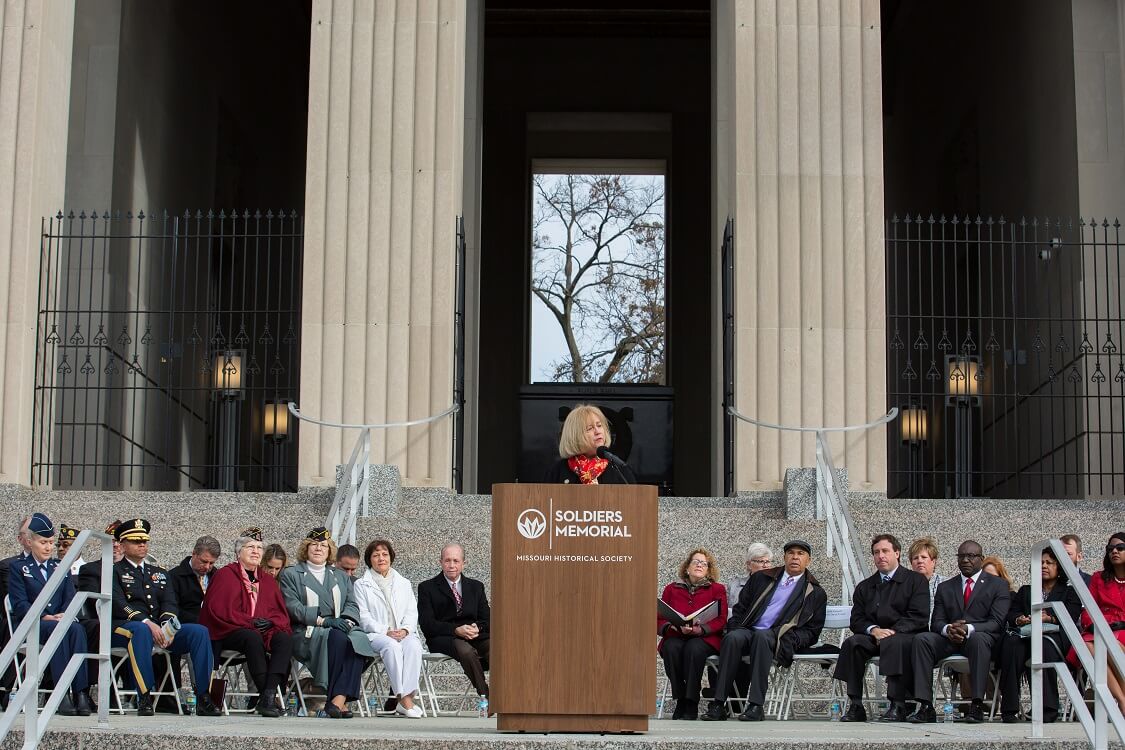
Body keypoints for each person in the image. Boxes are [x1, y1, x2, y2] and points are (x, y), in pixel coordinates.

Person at [702, 540, 827, 721]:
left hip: (780, 636)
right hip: (749, 629)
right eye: (791, 553)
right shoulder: (762, 578)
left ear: (808, 561)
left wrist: (792, 640)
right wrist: (736, 627)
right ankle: (718, 703)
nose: (795, 557)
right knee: (732, 638)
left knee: (761, 637)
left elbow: (812, 631)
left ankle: (756, 705)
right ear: (784, 557)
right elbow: (740, 608)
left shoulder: (815, 592)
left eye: (801, 554)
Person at [109, 518, 221, 717]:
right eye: (136, 541)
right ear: (123, 544)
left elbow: (169, 602)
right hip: (126, 626)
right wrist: (147, 622)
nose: (142, 545)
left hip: (159, 629)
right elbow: (119, 604)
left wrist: (166, 626)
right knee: (141, 630)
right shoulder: (114, 571)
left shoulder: (158, 573)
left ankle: (204, 695)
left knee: (199, 631)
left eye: (144, 541)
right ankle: (145, 696)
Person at [908, 540, 1009, 724]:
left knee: (978, 640)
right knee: (922, 639)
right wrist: (948, 629)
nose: (965, 560)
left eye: (971, 556)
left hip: (980, 639)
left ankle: (976, 705)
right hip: (950, 639)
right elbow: (936, 622)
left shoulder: (997, 585)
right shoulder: (946, 586)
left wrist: (968, 628)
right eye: (961, 556)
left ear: (981, 558)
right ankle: (925, 706)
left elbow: (996, 622)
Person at [279, 527, 374, 719]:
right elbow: (293, 606)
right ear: (306, 548)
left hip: (340, 627)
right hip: (308, 631)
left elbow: (352, 602)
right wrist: (324, 621)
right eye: (313, 544)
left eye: (323, 545)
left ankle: (337, 700)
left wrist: (346, 620)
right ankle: (340, 700)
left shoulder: (339, 575)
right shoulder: (291, 574)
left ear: (329, 550)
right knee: (343, 640)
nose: (318, 548)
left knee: (361, 641)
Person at [198, 528, 294, 717]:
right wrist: (250, 622)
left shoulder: (267, 580)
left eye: (259, 548)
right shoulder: (225, 575)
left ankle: (268, 694)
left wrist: (270, 622)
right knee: (251, 637)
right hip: (229, 632)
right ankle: (263, 693)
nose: (256, 551)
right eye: (250, 547)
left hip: (260, 630)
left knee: (284, 638)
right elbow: (218, 610)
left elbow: (280, 614)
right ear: (238, 552)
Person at [835, 534, 929, 722]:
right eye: (876, 552)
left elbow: (919, 615)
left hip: (905, 635)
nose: (881, 556)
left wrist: (893, 631)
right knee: (852, 644)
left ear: (897, 553)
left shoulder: (915, 581)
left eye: (885, 551)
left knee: (894, 643)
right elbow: (857, 619)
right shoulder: (865, 586)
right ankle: (856, 704)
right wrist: (873, 630)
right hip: (875, 635)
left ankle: (898, 704)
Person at [7, 512, 91, 716]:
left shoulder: (58, 567)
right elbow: (19, 604)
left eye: (51, 542)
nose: (48, 547)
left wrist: (64, 614)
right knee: (59, 629)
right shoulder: (19, 568)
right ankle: (60, 694)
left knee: (77, 629)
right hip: (31, 625)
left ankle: (81, 693)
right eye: (43, 542)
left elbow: (70, 597)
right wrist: (45, 616)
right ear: (30, 542)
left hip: (57, 622)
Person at [996, 546, 1081, 723]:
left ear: (1059, 568)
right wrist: (1020, 619)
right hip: (1027, 635)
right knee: (1011, 645)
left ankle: (1047, 709)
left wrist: (1049, 618)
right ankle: (1009, 709)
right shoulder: (1026, 591)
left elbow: (1071, 617)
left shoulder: (1069, 592)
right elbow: (1012, 614)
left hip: (1054, 638)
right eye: (1040, 562)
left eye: (1049, 563)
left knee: (1043, 646)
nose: (1044, 566)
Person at [353, 539, 425, 718]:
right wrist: (386, 630)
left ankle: (407, 697)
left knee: (414, 646)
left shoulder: (403, 583)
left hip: (402, 632)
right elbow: (363, 617)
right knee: (391, 646)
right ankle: (403, 699)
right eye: (376, 555)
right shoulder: (361, 585)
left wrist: (406, 630)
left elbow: (411, 611)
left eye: (384, 554)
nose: (381, 558)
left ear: (391, 557)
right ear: (370, 560)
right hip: (377, 635)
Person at [657, 548, 728, 720]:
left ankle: (691, 701)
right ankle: (680, 698)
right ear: (687, 567)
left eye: (704, 563)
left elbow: (721, 618)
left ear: (709, 569)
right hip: (676, 634)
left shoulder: (717, 589)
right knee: (671, 648)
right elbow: (658, 617)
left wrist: (700, 629)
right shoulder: (671, 589)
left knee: (693, 649)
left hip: (704, 638)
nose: (699, 565)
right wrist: (671, 627)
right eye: (695, 562)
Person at [418, 542, 491, 700]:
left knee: (497, 649)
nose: (451, 565)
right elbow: (427, 624)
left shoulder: (476, 587)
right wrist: (455, 630)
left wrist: (477, 627)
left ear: (464, 563)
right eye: (447, 560)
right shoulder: (427, 588)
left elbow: (488, 619)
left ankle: (509, 695)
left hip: (474, 635)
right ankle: (487, 695)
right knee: (465, 650)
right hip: (444, 637)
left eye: (456, 561)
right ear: (441, 562)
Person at [1067, 532, 1125, 713]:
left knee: (1106, 644)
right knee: (1087, 643)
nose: (1114, 551)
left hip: (1122, 631)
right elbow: (1088, 610)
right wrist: (1095, 624)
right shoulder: (1099, 578)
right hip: (1101, 629)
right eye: (1110, 549)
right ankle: (1122, 699)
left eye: (1120, 548)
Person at [543, 403, 636, 484]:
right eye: (590, 428)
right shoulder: (557, 472)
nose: (598, 431)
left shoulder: (619, 469)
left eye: (599, 426)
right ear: (575, 435)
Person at [168, 535, 221, 625]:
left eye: (211, 563)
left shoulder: (218, 576)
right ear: (194, 554)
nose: (207, 567)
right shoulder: (174, 576)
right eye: (204, 561)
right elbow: (173, 609)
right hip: (189, 627)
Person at [909, 537, 943, 623]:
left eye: (924, 557)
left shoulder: (946, 584)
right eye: (915, 558)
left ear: (933, 561)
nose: (919, 561)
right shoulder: (905, 585)